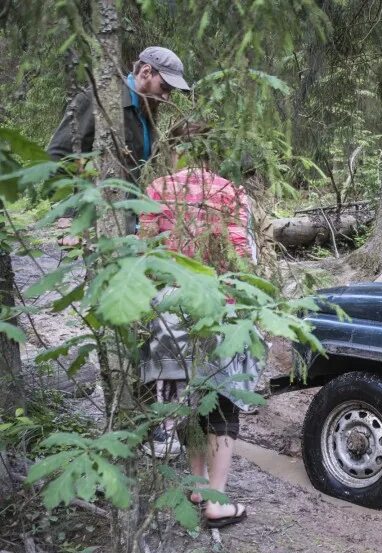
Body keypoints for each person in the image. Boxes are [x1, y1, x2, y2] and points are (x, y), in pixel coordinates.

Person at [138, 124, 262, 528]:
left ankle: (195, 486)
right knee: (221, 402)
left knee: (188, 399)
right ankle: (216, 500)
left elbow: (145, 252)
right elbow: (240, 254)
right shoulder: (231, 192)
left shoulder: (156, 188)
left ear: (175, 151)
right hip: (217, 310)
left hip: (170, 312)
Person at [47, 47, 191, 241]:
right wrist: (67, 216)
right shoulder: (100, 99)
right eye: (164, 87)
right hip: (98, 221)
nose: (166, 97)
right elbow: (58, 154)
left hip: (133, 225)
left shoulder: (146, 107)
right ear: (146, 72)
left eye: (170, 91)